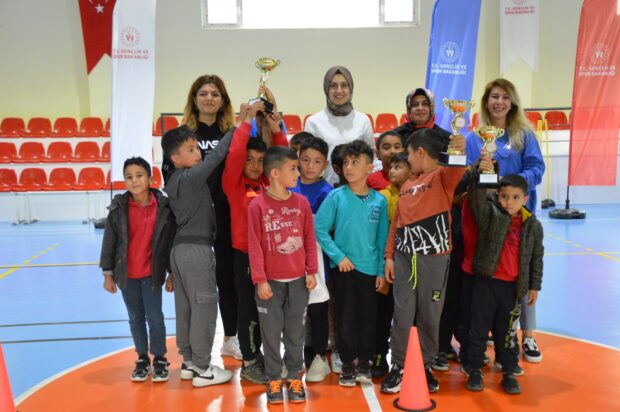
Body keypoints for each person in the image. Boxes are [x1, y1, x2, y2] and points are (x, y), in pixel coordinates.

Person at [465, 78, 546, 363]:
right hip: (488, 219)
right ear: (486, 102)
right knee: (497, 277)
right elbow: (470, 174)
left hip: (520, 217)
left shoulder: (524, 135)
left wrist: (511, 187)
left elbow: (537, 169)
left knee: (522, 274)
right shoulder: (474, 138)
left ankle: (530, 334)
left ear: (512, 103)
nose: (499, 102)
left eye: (504, 97)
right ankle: (501, 334)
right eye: (494, 97)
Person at [163, 74, 242, 360]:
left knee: (228, 277)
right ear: (194, 99)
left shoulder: (232, 132)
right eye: (204, 93)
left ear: (223, 100)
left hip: (227, 212)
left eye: (215, 94)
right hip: (194, 219)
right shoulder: (182, 135)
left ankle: (231, 337)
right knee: (197, 289)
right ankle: (193, 355)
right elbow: (171, 178)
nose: (209, 98)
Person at [382, 129, 466, 394]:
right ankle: (398, 365)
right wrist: (389, 257)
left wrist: (458, 150)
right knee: (402, 313)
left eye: (408, 153)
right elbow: (396, 224)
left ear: (419, 152)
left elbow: (457, 169)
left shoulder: (442, 177)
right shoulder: (407, 185)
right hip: (405, 259)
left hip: (434, 261)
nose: (407, 158)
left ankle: (426, 365)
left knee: (430, 314)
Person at [464, 153, 544, 395]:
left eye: (515, 197)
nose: (509, 202)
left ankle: (508, 371)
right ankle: (475, 368)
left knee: (507, 332)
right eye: (504, 196)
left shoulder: (533, 225)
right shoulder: (490, 215)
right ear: (497, 196)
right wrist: (481, 173)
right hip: (486, 284)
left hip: (512, 289)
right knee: (478, 329)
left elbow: (536, 258)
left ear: (526, 199)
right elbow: (478, 200)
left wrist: (534, 286)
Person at [161, 125, 234, 387]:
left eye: (196, 148)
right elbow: (217, 156)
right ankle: (203, 368)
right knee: (204, 307)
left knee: (186, 308)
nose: (198, 153)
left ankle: (190, 361)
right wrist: (237, 128)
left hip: (179, 251)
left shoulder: (173, 181)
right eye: (190, 150)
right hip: (196, 250)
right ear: (175, 158)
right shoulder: (190, 177)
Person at [222, 100, 289, 384]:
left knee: (268, 311)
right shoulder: (233, 184)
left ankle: (263, 356)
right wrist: (245, 122)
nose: (254, 165)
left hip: (272, 257)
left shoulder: (268, 184)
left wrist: (277, 130)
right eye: (249, 160)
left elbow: (283, 160)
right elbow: (235, 154)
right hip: (245, 257)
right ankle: (250, 360)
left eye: (260, 160)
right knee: (249, 310)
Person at [315, 140, 388, 387]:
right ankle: (347, 363)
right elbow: (319, 229)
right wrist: (339, 257)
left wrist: (381, 270)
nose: (349, 167)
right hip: (344, 270)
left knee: (368, 318)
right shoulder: (336, 196)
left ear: (369, 167)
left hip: (370, 271)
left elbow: (382, 239)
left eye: (355, 162)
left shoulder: (380, 201)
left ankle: (365, 363)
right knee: (345, 318)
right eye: (346, 162)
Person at [248, 146, 318, 405]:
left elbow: (309, 239)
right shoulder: (257, 206)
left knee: (295, 334)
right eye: (293, 169)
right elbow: (255, 245)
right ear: (275, 173)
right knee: (270, 334)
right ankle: (274, 379)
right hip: (270, 284)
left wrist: (311, 271)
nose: (298, 173)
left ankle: (295, 376)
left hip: (298, 282)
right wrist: (260, 280)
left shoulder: (301, 203)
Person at [100, 157, 176, 383]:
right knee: (135, 318)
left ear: (150, 179)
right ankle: (142, 358)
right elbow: (109, 243)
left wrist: (172, 273)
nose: (134, 181)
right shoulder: (118, 208)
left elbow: (169, 243)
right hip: (126, 276)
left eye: (139, 176)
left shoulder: (163, 207)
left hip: (152, 275)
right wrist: (107, 274)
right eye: (129, 177)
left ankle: (160, 358)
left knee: (155, 317)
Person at [290, 135, 333, 382]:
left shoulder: (327, 191)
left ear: (325, 165)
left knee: (317, 308)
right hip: (288, 258)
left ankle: (319, 357)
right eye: (305, 160)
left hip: (316, 259)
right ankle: (296, 354)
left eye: (317, 161)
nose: (309, 166)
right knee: (294, 310)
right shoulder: (289, 184)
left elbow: (324, 228)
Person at [373, 151, 411, 378]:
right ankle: (380, 354)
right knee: (383, 313)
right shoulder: (383, 197)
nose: (393, 171)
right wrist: (385, 260)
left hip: (412, 264)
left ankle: (408, 358)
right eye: (392, 167)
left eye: (399, 167)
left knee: (407, 315)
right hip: (388, 264)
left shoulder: (420, 194)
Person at [304, 66, 374, 184]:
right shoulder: (313, 122)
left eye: (344, 85)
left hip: (357, 187)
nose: (339, 91)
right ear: (326, 89)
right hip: (324, 187)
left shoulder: (363, 120)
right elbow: (306, 158)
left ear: (350, 88)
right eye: (333, 86)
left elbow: (371, 157)